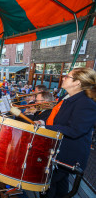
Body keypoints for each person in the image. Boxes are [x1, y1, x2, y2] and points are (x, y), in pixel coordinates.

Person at [35, 68, 96, 198]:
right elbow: (56, 118)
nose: (63, 78)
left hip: (68, 154)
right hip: (58, 149)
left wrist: (45, 128)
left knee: (47, 186)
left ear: (77, 82)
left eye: (67, 77)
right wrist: (43, 122)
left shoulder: (86, 103)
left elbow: (75, 130)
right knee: (59, 185)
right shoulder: (66, 97)